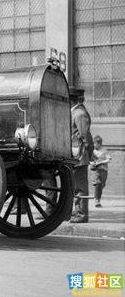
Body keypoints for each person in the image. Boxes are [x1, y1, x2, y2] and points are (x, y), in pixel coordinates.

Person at [69, 88, 93, 224]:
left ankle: (82, 214)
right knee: (75, 186)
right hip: (75, 155)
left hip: (80, 155)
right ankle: (78, 210)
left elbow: (85, 137)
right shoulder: (75, 112)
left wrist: (88, 153)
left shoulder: (79, 114)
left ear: (71, 100)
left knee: (80, 186)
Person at [91, 135, 111, 208]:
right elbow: (89, 159)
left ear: (99, 143)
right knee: (98, 183)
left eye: (95, 143)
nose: (94, 145)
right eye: (93, 143)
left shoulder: (104, 150)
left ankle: (96, 196)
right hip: (96, 169)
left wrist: (100, 162)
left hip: (104, 170)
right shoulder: (92, 150)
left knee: (102, 184)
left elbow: (109, 159)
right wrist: (92, 163)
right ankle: (97, 200)